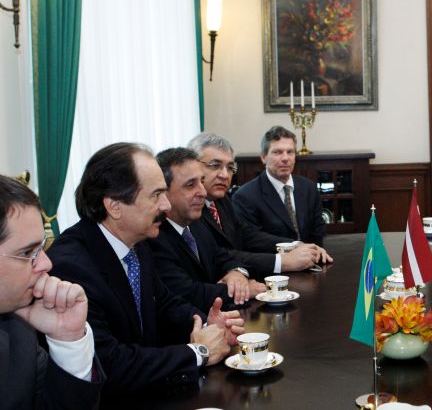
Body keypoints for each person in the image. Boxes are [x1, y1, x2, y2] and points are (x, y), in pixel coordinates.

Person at [47, 143, 244, 396]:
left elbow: (164, 305)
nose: (166, 205)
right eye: (156, 195)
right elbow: (107, 363)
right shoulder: (70, 267)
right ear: (114, 206)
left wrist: (209, 325)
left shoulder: (136, 241)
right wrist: (198, 353)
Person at [0, 175, 101, 409]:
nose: (47, 264)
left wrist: (68, 338)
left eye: (41, 249)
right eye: (27, 253)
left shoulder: (19, 331)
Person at [188, 132, 329, 277]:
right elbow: (217, 254)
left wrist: (296, 245)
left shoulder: (221, 200)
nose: (224, 175)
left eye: (230, 167)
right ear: (192, 166)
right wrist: (283, 261)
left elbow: (246, 235)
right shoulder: (189, 207)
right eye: (215, 165)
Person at [148, 147, 266, 312]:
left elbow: (223, 258)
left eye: (201, 182)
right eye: (190, 185)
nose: (203, 192)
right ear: (164, 193)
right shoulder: (154, 237)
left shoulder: (196, 224)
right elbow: (186, 292)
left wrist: (236, 273)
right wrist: (243, 290)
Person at [232, 126, 333, 262]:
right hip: (273, 268)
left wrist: (316, 251)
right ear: (263, 157)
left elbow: (318, 230)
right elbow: (252, 239)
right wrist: (295, 246)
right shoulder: (245, 196)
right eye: (277, 152)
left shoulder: (308, 188)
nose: (285, 158)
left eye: (290, 152)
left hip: (311, 263)